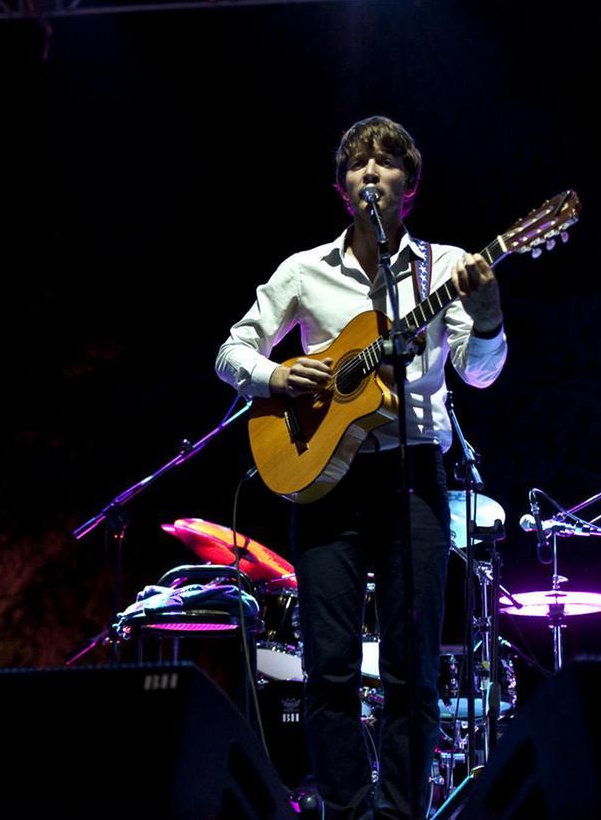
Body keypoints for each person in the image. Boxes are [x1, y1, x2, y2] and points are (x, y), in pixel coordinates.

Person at [216, 116, 506, 817]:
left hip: (414, 478)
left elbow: (480, 372)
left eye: (385, 162)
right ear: (342, 189)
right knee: (331, 667)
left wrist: (489, 310)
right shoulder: (303, 271)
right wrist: (278, 378)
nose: (370, 171)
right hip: (325, 484)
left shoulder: (446, 267)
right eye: (357, 164)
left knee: (416, 671)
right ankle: (347, 812)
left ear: (410, 187)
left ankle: (405, 814)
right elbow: (232, 350)